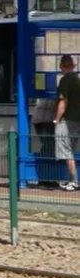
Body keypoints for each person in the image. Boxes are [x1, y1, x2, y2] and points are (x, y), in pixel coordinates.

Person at [54, 54, 80, 191]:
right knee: (72, 150)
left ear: (62, 67)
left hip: (67, 120)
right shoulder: (77, 80)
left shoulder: (65, 80)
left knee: (66, 151)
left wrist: (56, 120)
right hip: (77, 120)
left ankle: (73, 181)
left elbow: (63, 102)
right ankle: (72, 179)